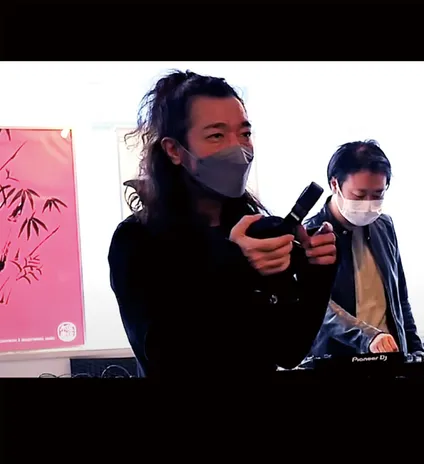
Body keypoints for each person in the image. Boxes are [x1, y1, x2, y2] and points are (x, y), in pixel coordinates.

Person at [108, 70, 338, 377]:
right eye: (216, 136)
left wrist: (317, 272)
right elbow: (165, 355)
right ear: (174, 150)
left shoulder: (258, 231)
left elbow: (289, 349)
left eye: (244, 134)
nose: (237, 149)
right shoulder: (137, 239)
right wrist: (235, 264)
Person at [305, 140, 424, 357]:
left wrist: (417, 352)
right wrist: (367, 336)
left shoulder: (384, 226)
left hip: (390, 359)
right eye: (359, 195)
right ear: (335, 185)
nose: (369, 203)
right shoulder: (311, 233)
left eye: (378, 195)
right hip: (337, 361)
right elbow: (317, 307)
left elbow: (400, 299)